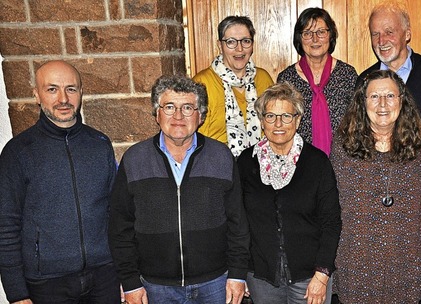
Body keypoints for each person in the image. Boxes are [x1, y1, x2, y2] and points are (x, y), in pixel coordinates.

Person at [108, 75, 250, 304]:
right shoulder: (134, 159)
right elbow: (120, 227)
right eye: (169, 107)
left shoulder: (221, 156)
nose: (178, 116)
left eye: (187, 107)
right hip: (156, 286)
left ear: (200, 115)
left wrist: (237, 274)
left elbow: (238, 223)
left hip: (215, 282)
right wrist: (130, 281)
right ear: (157, 114)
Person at [0, 60, 119, 303]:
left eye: (71, 89)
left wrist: (124, 275)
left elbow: (116, 213)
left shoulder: (100, 144)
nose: (63, 98)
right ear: (37, 95)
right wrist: (17, 293)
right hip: (48, 284)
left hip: (104, 276)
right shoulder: (18, 152)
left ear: (81, 93)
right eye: (52, 89)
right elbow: (6, 225)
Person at [331, 70, 421, 303]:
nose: (382, 104)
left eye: (390, 96)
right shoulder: (343, 145)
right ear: (362, 102)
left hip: (405, 254)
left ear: (402, 101)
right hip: (358, 253)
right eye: (374, 97)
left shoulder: (420, 144)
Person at [237, 82, 341, 304]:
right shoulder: (245, 163)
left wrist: (322, 275)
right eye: (270, 116)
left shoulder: (317, 162)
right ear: (262, 120)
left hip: (310, 277)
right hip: (261, 276)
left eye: (286, 116)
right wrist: (239, 272)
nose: (278, 124)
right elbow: (237, 221)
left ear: (298, 119)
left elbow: (331, 222)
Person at [357, 1, 421, 131]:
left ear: (407, 34)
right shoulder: (364, 80)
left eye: (389, 32)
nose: (381, 41)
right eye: (375, 34)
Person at [277, 7, 357, 155]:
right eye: (307, 33)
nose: (315, 39)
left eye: (321, 32)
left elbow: (359, 122)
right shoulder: (287, 79)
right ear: (299, 38)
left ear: (330, 35)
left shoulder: (347, 74)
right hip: (300, 163)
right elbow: (281, 125)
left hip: (344, 160)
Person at [193, 15, 274, 157]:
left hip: (260, 164)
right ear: (220, 45)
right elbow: (194, 138)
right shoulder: (202, 82)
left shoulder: (263, 78)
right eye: (231, 42)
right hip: (216, 164)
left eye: (246, 41)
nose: (239, 49)